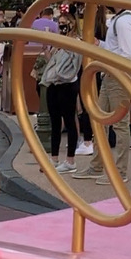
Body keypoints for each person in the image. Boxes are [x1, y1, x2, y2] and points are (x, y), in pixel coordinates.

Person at [71, 0, 131, 186]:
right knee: (99, 120)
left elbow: (127, 53)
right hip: (112, 74)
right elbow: (118, 49)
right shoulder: (121, 19)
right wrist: (100, 46)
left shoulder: (123, 21)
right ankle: (98, 165)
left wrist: (103, 56)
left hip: (118, 75)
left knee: (119, 124)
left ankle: (119, 171)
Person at [41, 12, 82, 173]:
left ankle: (70, 160)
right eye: (60, 23)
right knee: (55, 121)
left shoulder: (75, 42)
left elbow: (75, 65)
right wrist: (48, 51)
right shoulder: (58, 41)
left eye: (65, 23)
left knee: (69, 120)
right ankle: (54, 158)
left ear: (72, 24)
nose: (62, 26)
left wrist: (64, 44)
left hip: (67, 84)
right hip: (53, 83)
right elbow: (52, 62)